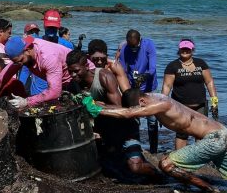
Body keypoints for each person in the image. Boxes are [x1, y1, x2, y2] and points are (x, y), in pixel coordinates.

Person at [96, 90, 227, 193]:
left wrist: (95, 109)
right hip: (223, 133)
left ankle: (208, 189)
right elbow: (126, 109)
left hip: (214, 139)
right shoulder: (155, 97)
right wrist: (102, 105)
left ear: (143, 101)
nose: (139, 111)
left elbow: (127, 113)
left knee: (165, 164)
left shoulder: (160, 105)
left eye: (139, 107)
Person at [66, 50, 161, 182]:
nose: (72, 74)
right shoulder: (73, 85)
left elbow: (121, 109)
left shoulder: (103, 77)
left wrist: (97, 106)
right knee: (111, 168)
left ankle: (159, 176)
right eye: (70, 71)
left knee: (135, 167)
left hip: (125, 127)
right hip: (105, 130)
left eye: (76, 71)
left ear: (86, 66)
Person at [0, 35, 75, 109]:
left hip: (77, 79)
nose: (20, 64)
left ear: (28, 50)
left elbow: (54, 91)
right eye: (16, 62)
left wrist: (26, 101)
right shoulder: (22, 53)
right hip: (61, 84)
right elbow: (4, 75)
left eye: (21, 60)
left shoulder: (48, 57)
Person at [162, 39, 218, 150]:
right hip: (181, 107)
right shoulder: (172, 66)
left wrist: (214, 102)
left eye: (188, 49)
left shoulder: (201, 63)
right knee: (182, 133)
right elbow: (167, 86)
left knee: (201, 133)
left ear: (192, 50)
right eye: (183, 49)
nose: (185, 51)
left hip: (200, 105)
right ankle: (180, 158)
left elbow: (209, 82)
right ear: (179, 49)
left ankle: (198, 158)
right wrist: (162, 105)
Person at [118, 29, 159, 153]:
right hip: (133, 88)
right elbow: (123, 70)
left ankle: (153, 149)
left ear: (140, 40)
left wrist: (144, 76)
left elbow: (152, 68)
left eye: (135, 47)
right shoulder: (125, 48)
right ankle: (137, 148)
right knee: (134, 120)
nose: (133, 49)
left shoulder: (148, 45)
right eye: (131, 47)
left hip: (149, 87)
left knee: (152, 120)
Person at [19, 23, 48, 95]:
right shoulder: (24, 51)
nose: (34, 34)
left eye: (36, 32)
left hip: (43, 91)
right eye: (31, 32)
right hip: (36, 92)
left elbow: (24, 74)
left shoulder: (43, 46)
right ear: (25, 34)